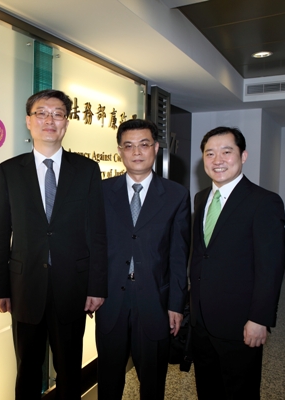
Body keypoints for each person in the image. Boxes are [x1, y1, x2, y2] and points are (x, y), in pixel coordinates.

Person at [0, 89, 108, 400]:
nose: (49, 120)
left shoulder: (86, 170)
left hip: (73, 285)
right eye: (41, 113)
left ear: (66, 123)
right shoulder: (9, 171)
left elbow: (97, 231)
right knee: (27, 368)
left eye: (57, 114)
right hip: (24, 285)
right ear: (29, 122)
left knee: (70, 368)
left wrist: (97, 286)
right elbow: (1, 232)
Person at [95, 118, 191, 399]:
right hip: (111, 301)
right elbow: (94, 247)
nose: (137, 152)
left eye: (144, 144)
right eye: (129, 146)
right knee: (109, 381)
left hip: (155, 304)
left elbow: (178, 254)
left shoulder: (176, 195)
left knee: (152, 383)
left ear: (156, 148)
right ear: (120, 151)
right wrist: (92, 290)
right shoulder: (101, 192)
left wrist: (176, 304)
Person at [190, 126, 285, 399]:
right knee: (208, 389)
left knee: (240, 391)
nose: (217, 160)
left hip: (240, 323)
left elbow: (271, 267)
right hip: (202, 321)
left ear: (243, 156)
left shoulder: (264, 202)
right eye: (210, 153)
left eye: (226, 152)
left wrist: (259, 319)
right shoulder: (201, 199)